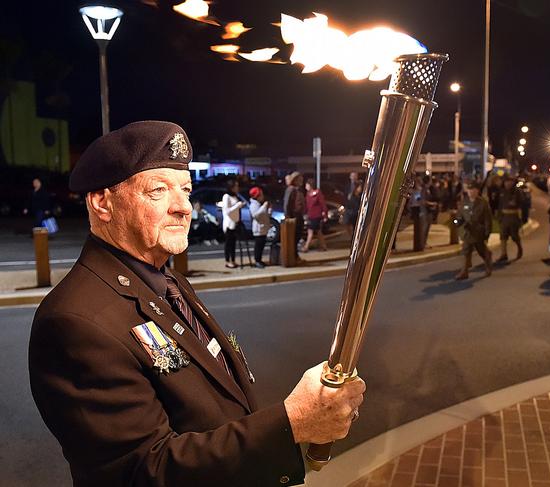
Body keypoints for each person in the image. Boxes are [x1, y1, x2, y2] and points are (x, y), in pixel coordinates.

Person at [28, 121, 365, 486]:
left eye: (186, 190)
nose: (184, 207)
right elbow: (141, 471)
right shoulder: (74, 321)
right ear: (102, 202)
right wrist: (292, 422)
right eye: (158, 190)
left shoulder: (166, 280)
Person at [455, 181, 493, 280]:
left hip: (478, 232)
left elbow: (487, 219)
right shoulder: (464, 202)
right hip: (468, 231)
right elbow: (460, 216)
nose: (471, 192)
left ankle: (488, 265)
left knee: (482, 251)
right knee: (466, 251)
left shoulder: (483, 203)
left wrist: (487, 232)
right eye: (469, 190)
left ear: (477, 191)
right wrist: (458, 222)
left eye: (473, 190)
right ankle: (464, 272)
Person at [496, 174, 525, 262]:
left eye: (510, 182)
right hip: (504, 216)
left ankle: (519, 248)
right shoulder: (502, 192)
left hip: (513, 217)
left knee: (514, 236)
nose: (508, 183)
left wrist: (520, 217)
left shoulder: (517, 192)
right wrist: (499, 216)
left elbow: (522, 204)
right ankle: (503, 254)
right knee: (503, 236)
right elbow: (500, 204)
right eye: (506, 182)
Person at [221, 178, 244, 269]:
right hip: (228, 224)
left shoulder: (235, 196)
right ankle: (227, 261)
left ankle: (233, 260)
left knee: (233, 244)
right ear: (231, 187)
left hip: (235, 222)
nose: (238, 188)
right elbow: (227, 211)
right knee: (228, 243)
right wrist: (238, 205)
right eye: (236, 186)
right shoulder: (226, 196)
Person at [283, 171, 305, 260]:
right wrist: (287, 216)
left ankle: (295, 256)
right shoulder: (291, 189)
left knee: (297, 237)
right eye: (300, 179)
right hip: (294, 216)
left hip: (299, 215)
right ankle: (294, 257)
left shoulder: (297, 189)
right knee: (294, 238)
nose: (301, 180)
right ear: (295, 180)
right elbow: (287, 204)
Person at [302, 178, 328, 252]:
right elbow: (307, 205)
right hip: (310, 215)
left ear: (310, 185)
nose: (305, 186)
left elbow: (323, 204)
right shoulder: (308, 194)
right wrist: (305, 213)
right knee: (318, 231)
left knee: (310, 231)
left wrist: (325, 214)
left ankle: (306, 247)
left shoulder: (317, 193)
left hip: (317, 215)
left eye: (307, 185)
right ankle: (324, 246)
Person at [249, 186, 271, 268]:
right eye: (261, 195)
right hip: (258, 229)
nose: (263, 196)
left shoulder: (259, 204)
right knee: (258, 246)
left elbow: (266, 214)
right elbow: (256, 215)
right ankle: (257, 260)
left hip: (263, 228)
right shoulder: (253, 205)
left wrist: (269, 209)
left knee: (262, 245)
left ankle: (260, 260)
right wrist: (264, 206)